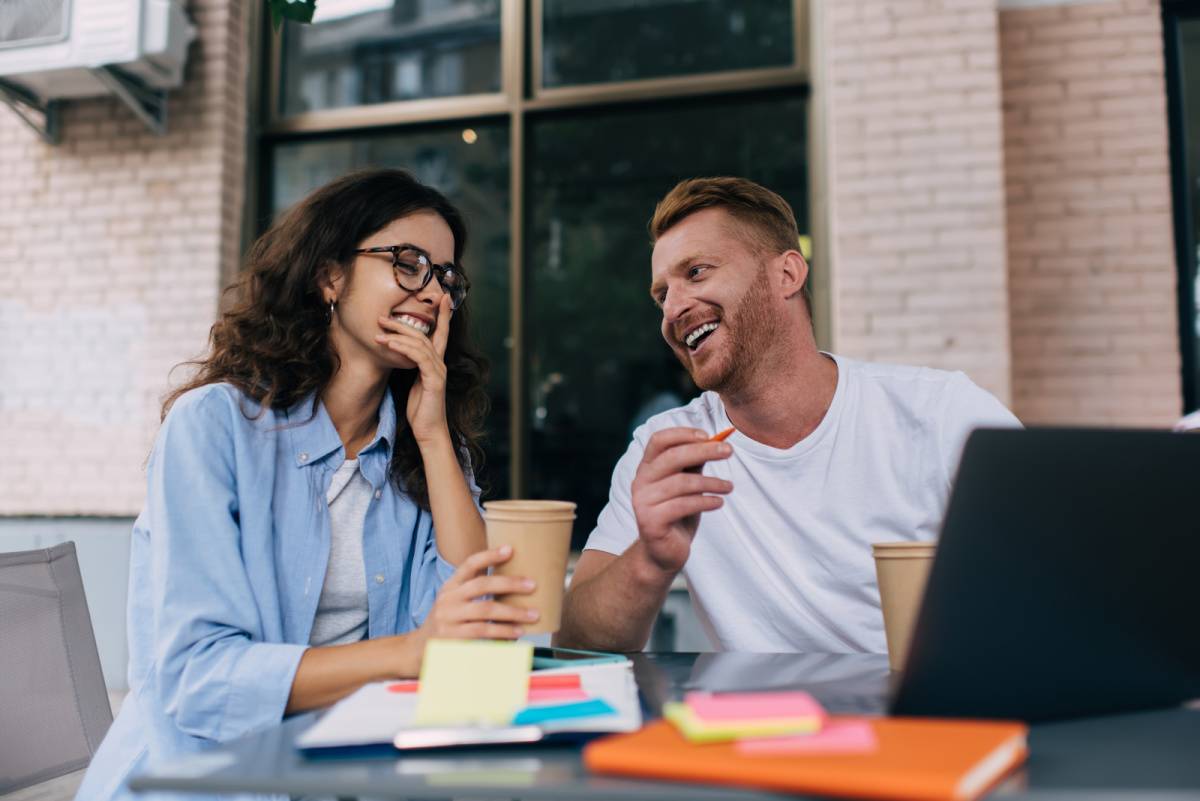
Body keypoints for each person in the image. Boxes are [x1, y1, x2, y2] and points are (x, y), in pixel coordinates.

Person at [77, 169, 539, 800]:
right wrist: (407, 655)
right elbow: (198, 678)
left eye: (446, 277)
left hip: (350, 771)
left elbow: (473, 628)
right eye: (408, 263)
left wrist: (434, 440)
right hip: (206, 781)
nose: (432, 293)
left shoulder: (424, 445)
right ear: (330, 277)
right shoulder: (215, 427)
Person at [557, 176, 1020, 654]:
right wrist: (650, 560)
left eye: (696, 272)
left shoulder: (942, 414)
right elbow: (575, 642)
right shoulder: (667, 448)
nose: (672, 308)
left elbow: (1062, 575)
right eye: (661, 295)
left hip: (925, 720)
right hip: (759, 727)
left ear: (788, 274)